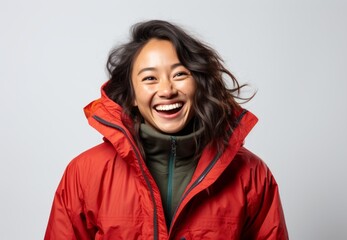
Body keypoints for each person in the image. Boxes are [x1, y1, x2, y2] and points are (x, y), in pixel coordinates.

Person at [45, 20, 288, 239]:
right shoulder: (85, 173)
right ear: (131, 95)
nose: (167, 90)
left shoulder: (251, 175)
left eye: (180, 74)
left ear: (199, 84)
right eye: (150, 78)